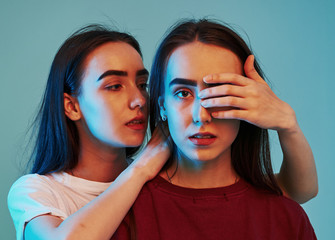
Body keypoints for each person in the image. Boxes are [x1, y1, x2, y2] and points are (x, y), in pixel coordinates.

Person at [8, 23, 316, 240]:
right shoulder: (37, 192)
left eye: (142, 84)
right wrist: (144, 167)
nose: (138, 100)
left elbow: (295, 192)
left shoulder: (278, 213)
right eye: (114, 86)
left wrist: (286, 122)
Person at [112, 19, 317, 239]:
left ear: (249, 100)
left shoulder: (286, 217)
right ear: (162, 106)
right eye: (183, 93)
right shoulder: (123, 213)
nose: (201, 116)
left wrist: (288, 122)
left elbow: (302, 189)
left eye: (220, 93)